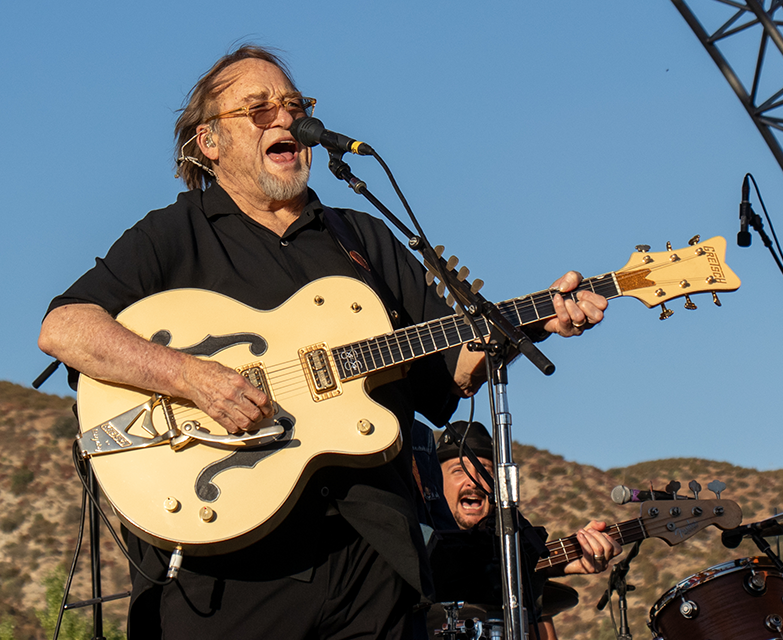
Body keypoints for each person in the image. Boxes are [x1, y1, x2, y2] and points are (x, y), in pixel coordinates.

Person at [38, 44, 608, 640]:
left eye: (293, 105)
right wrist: (193, 378)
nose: (284, 119)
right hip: (230, 572)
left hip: (372, 556)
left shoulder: (359, 237)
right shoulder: (174, 233)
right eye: (257, 110)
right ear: (208, 143)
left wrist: (535, 320)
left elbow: (452, 370)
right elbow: (65, 328)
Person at [432, 421, 622, 640]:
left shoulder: (518, 546)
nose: (473, 481)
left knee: (539, 622)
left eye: (485, 471)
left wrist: (573, 557)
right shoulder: (418, 542)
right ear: (437, 482)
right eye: (458, 471)